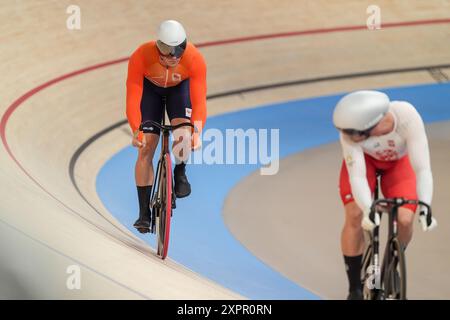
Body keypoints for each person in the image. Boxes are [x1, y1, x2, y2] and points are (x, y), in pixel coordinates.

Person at [332, 90, 437, 300]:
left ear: (372, 124)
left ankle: (391, 265)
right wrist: (367, 208)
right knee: (354, 214)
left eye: (355, 133)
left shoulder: (407, 116)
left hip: (398, 164)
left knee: (406, 219)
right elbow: (358, 177)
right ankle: (354, 288)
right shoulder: (350, 135)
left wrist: (425, 205)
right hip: (366, 164)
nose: (349, 136)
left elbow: (422, 169)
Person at [125, 20, 207, 232]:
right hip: (150, 91)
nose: (170, 57)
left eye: (175, 53)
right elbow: (133, 97)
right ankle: (144, 213)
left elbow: (199, 101)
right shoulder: (141, 56)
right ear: (157, 45)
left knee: (184, 133)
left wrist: (196, 131)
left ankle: (180, 171)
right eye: (164, 51)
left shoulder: (195, 59)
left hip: (179, 91)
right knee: (146, 148)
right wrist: (137, 129)